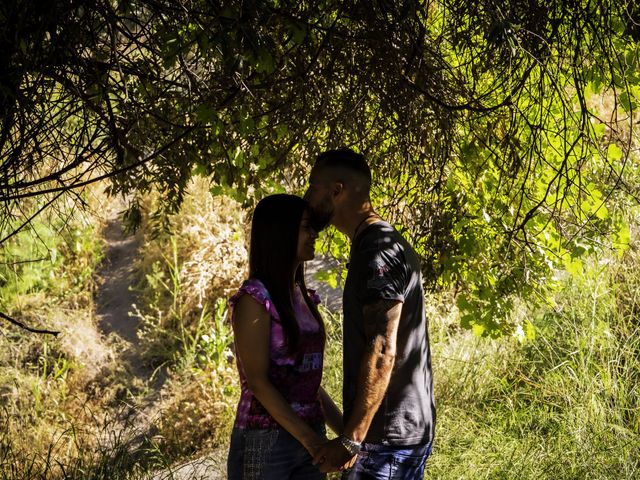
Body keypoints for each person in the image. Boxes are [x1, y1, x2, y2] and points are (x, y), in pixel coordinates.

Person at [304, 148, 436, 479]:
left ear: (336, 190)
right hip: (390, 435)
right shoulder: (372, 243)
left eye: (312, 186)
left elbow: (381, 349)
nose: (307, 197)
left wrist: (352, 439)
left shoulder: (378, 249)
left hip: (387, 439)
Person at [226, 194, 343, 480]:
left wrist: (347, 435)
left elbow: (307, 381)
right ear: (280, 233)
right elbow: (258, 382)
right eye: (306, 227)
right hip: (264, 439)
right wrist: (311, 441)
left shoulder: (303, 296)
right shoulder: (255, 299)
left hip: (310, 433)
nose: (313, 234)